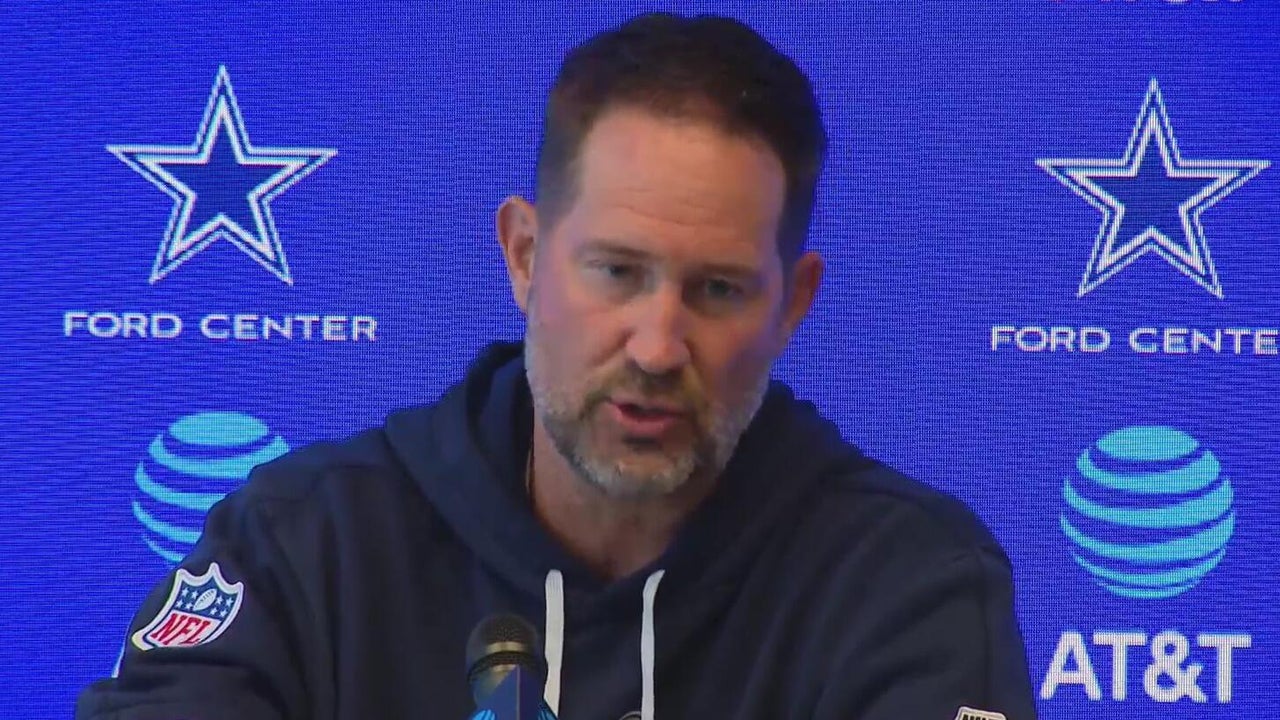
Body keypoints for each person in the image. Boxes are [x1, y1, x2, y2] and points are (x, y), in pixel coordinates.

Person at [77, 12, 1037, 720]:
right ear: (525, 256)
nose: (656, 347)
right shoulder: (304, 546)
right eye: (617, 272)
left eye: (717, 291)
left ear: (792, 304)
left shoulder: (908, 583)